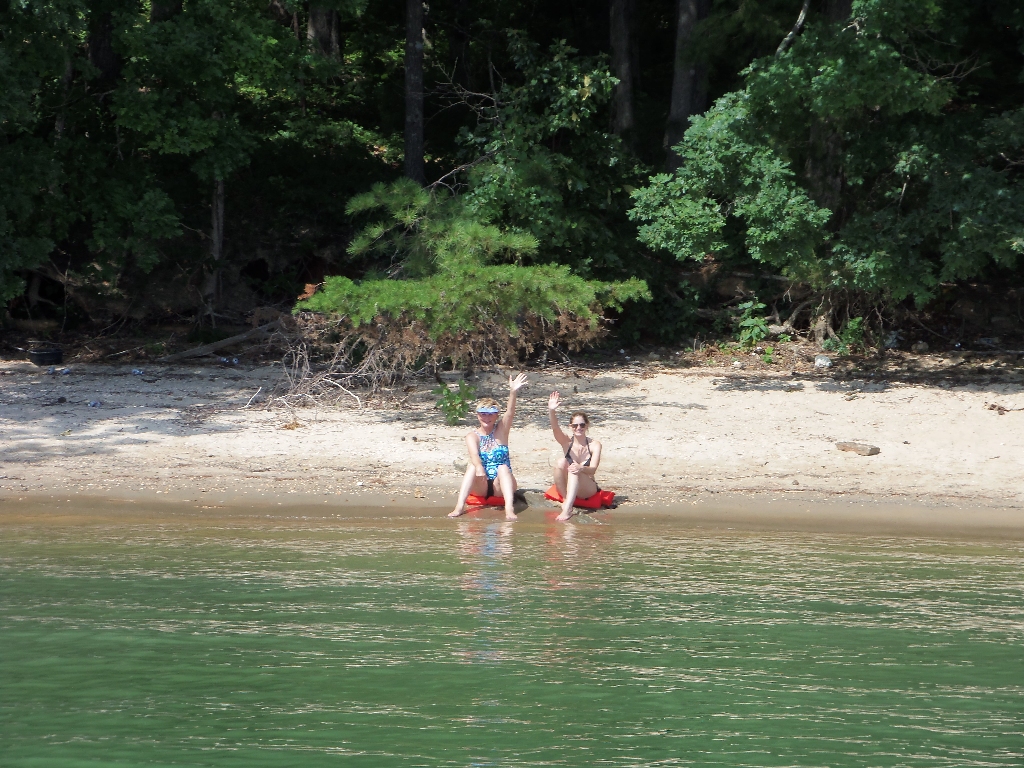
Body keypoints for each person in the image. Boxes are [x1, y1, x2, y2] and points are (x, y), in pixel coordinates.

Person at [449, 373, 528, 521]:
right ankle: (459, 507)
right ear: (478, 415)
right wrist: (479, 467)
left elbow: (510, 413)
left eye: (491, 414)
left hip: (501, 483)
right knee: (472, 467)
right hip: (482, 483)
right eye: (483, 414)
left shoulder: (501, 431)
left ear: (496, 415)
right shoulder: (472, 436)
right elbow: (474, 455)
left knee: (502, 467)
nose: (487, 417)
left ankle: (509, 509)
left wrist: (513, 392)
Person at [548, 391, 603, 522]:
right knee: (561, 462)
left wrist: (581, 468)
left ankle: (567, 509)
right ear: (571, 427)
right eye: (575, 425)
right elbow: (555, 429)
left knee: (574, 469)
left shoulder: (595, 445)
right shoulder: (567, 442)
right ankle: (566, 500)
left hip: (587, 487)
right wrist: (551, 411)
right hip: (569, 485)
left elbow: (593, 470)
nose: (579, 428)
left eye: (582, 425)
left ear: (587, 426)